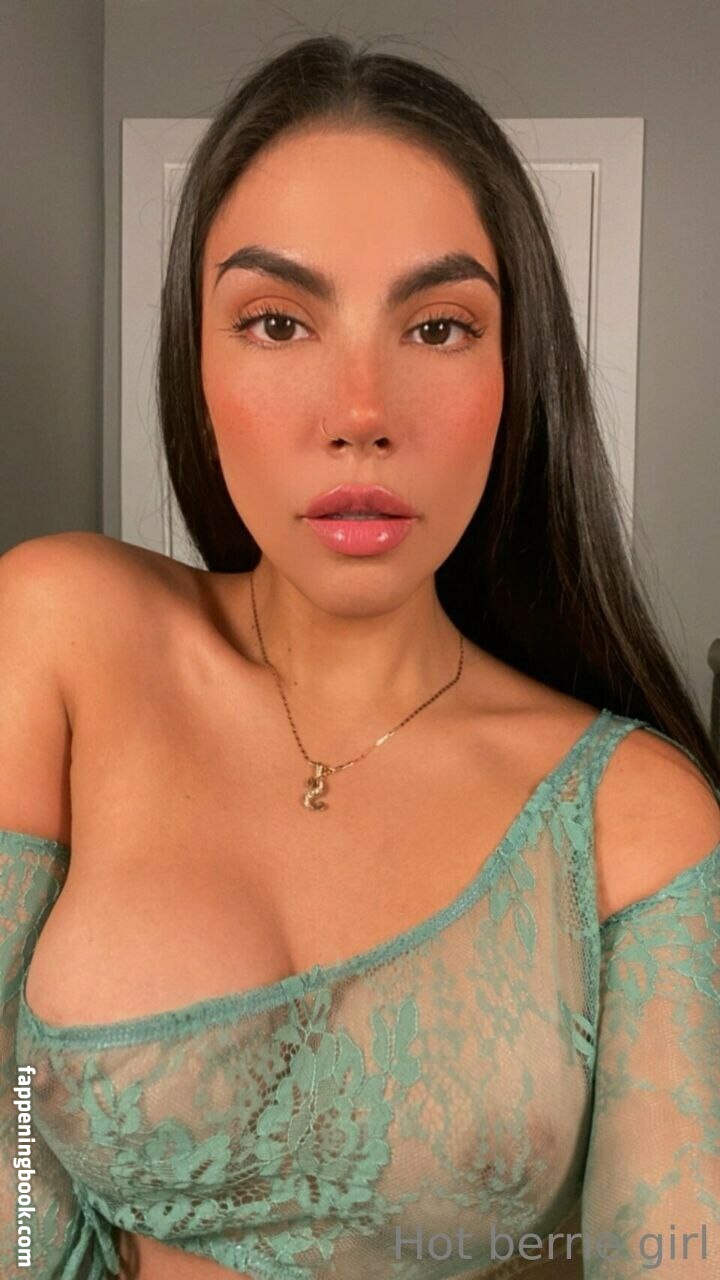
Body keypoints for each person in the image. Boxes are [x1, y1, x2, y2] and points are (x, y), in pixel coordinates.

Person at [1, 32, 718, 1280]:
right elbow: (13, 1144)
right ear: (195, 359)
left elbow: (670, 1247)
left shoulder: (635, 816)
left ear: (517, 373)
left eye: (438, 327)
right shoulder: (60, 630)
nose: (361, 412)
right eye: (278, 321)